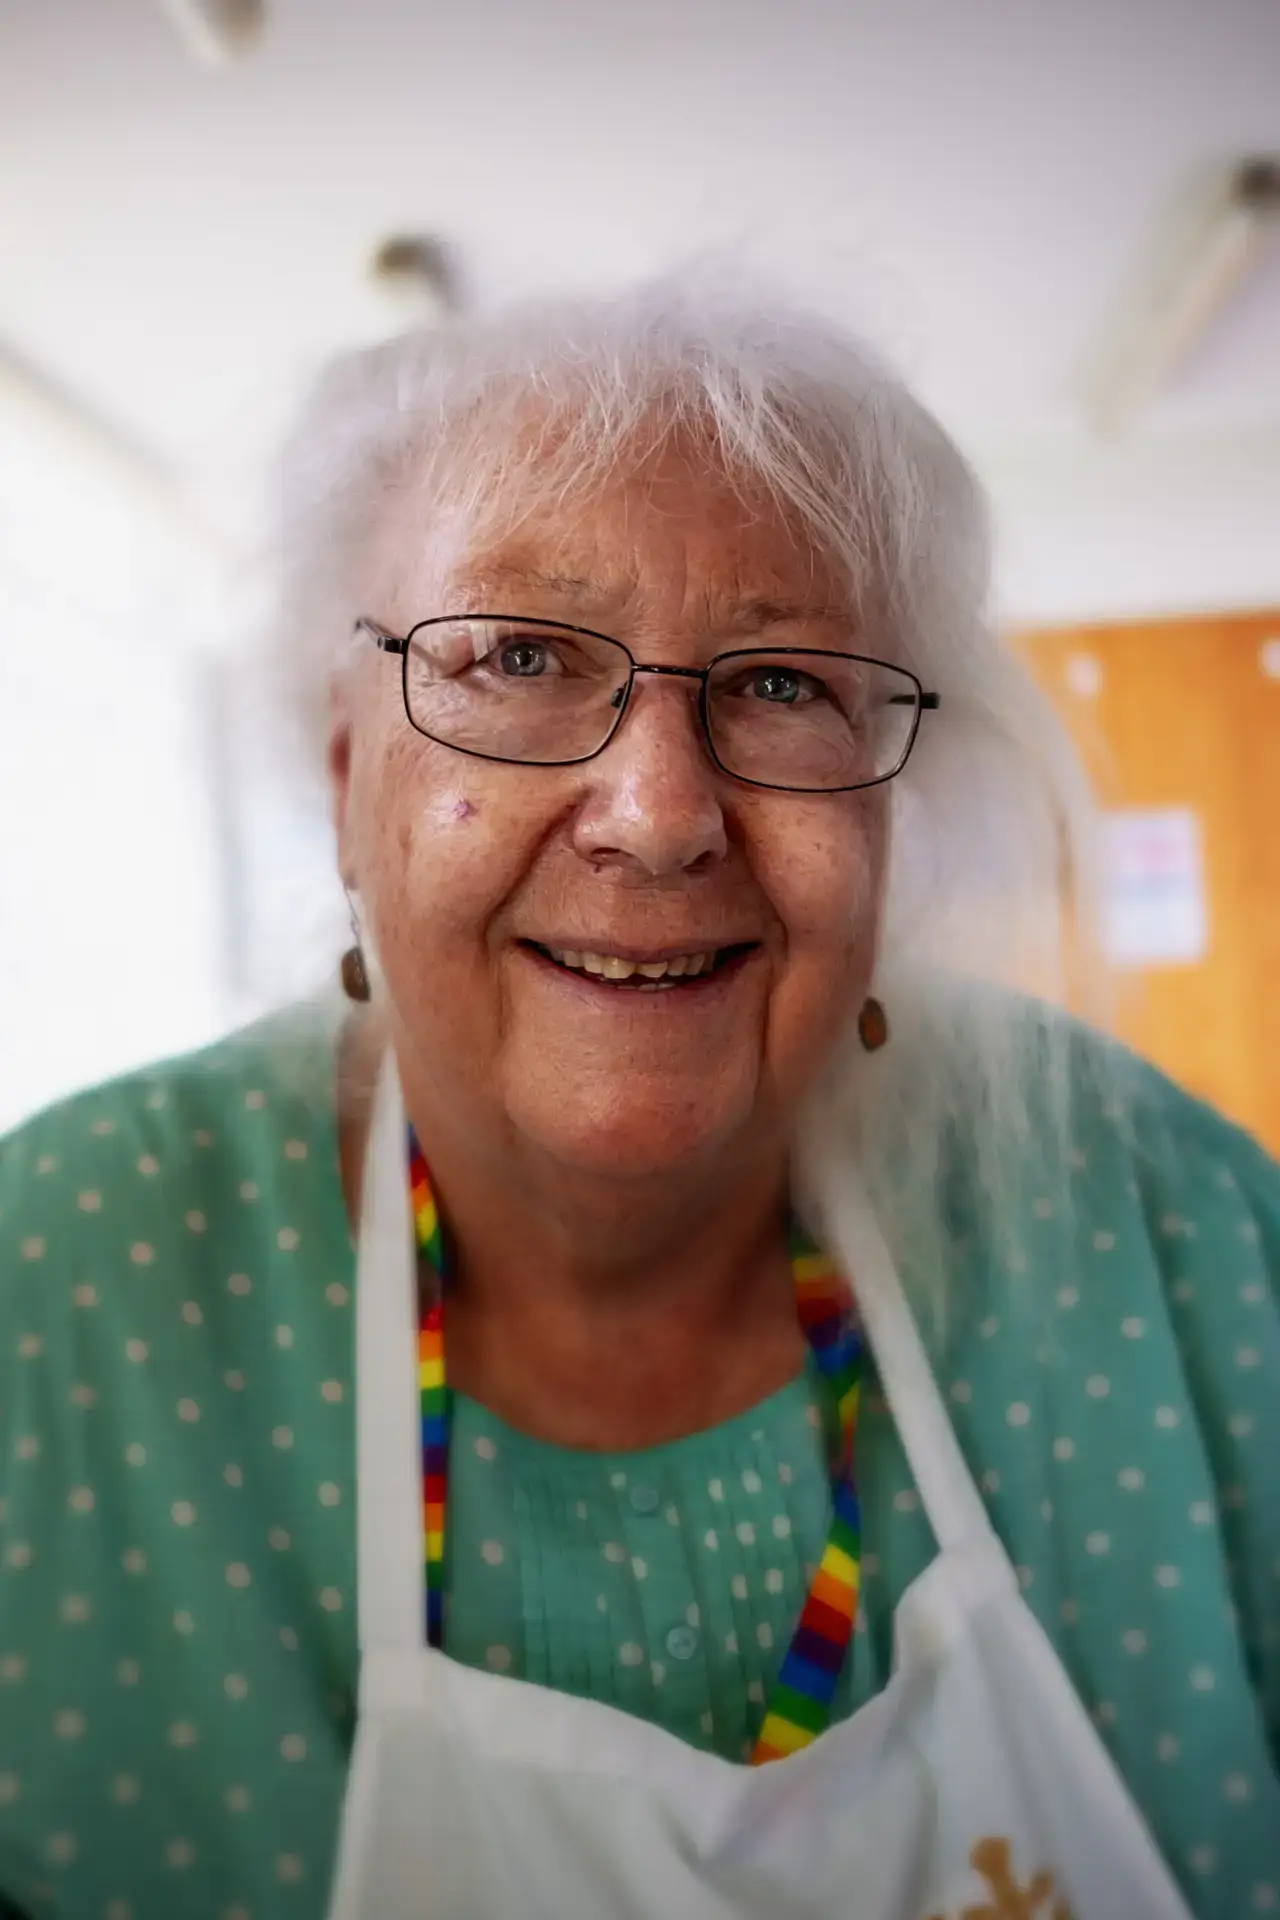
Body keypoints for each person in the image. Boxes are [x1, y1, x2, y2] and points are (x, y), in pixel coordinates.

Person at [0, 275, 1276, 1920]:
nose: (660, 813)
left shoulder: (1163, 1227)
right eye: (518, 654)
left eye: (783, 682)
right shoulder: (60, 1288)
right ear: (343, 779)